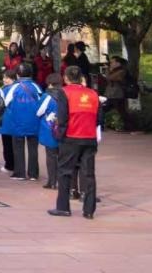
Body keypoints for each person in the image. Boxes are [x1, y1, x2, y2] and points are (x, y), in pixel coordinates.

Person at [49, 66, 102, 219]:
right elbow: (99, 119)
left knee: (65, 171)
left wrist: (59, 135)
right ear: (81, 78)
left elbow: (63, 117)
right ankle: (89, 210)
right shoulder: (93, 94)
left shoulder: (64, 92)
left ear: (65, 78)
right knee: (89, 174)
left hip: (71, 137)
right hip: (89, 137)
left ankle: (63, 207)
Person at [6, 63, 43, 181]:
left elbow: (6, 103)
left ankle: (19, 173)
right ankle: (33, 173)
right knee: (33, 148)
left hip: (17, 122)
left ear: (17, 75)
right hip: (34, 122)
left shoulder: (14, 88)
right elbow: (41, 101)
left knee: (18, 147)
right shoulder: (36, 87)